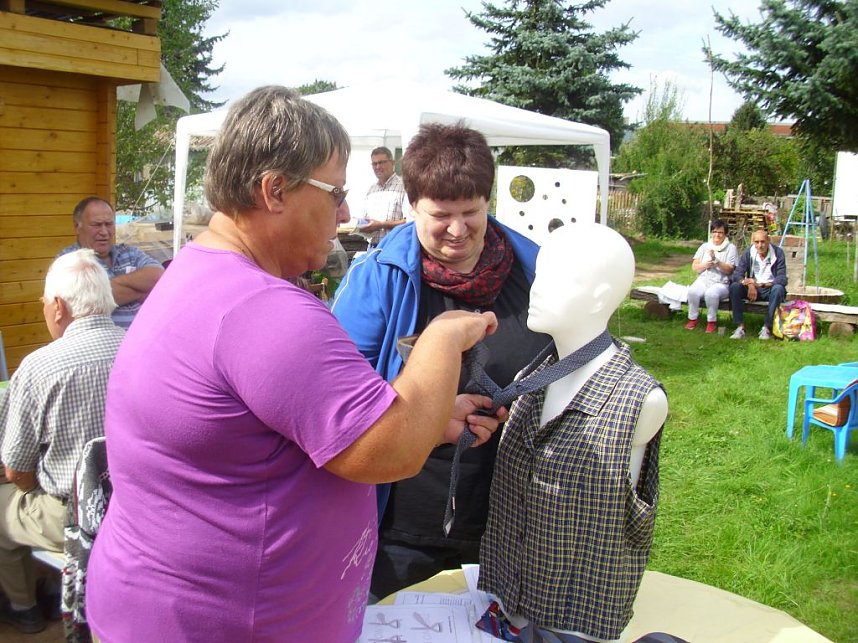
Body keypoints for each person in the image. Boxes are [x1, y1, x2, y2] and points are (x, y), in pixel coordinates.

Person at [85, 86, 503, 643]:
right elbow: (391, 450)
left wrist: (429, 418)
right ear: (274, 190)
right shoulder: (263, 310)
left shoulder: (201, 273)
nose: (347, 212)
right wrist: (443, 339)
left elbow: (273, 432)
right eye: (336, 192)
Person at [332, 122, 552, 600]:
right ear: (411, 206)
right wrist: (428, 414)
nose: (457, 230)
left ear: (488, 200)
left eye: (470, 212)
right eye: (440, 215)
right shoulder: (377, 278)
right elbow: (339, 403)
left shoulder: (540, 269)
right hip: (404, 525)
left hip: (516, 520)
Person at [478, 223, 669, 643]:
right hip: (506, 612)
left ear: (599, 297)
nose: (536, 288)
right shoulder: (531, 381)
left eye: (556, 277)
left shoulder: (640, 402)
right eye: (539, 273)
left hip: (577, 625)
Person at [0, 249, 123, 635]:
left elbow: (17, 470)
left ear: (57, 306)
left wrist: (31, 484)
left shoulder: (39, 366)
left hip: (74, 517)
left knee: (2, 507)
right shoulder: (142, 349)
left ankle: (25, 606)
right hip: (134, 505)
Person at [58, 197, 164, 329]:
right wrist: (141, 291)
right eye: (96, 225)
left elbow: (160, 277)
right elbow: (89, 302)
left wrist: (110, 286)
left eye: (109, 224)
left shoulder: (129, 252)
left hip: (142, 341)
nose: (104, 232)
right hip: (102, 344)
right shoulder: (69, 260)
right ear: (77, 227)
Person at [728, 228, 788, 340]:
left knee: (779, 288)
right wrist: (750, 284)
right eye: (756, 242)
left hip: (769, 288)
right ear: (753, 242)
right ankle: (740, 327)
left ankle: (767, 328)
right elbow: (737, 275)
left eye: (763, 242)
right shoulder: (748, 252)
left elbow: (782, 278)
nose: (760, 245)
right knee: (735, 287)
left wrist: (760, 285)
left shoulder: (778, 253)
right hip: (752, 289)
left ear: (768, 240)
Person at [685, 219, 738, 333]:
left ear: (725, 234)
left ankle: (711, 322)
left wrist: (717, 262)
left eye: (720, 232)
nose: (717, 235)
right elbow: (695, 267)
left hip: (721, 283)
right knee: (692, 291)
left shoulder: (731, 248)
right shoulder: (705, 246)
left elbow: (730, 270)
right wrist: (705, 265)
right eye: (714, 232)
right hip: (704, 279)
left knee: (711, 294)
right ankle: (692, 318)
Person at [359, 146, 410, 247]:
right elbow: (366, 219)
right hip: (373, 247)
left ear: (392, 163)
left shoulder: (404, 187)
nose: (378, 167)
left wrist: (381, 225)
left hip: (395, 248)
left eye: (382, 162)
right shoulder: (371, 190)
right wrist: (362, 225)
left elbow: (409, 221)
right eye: (374, 164)